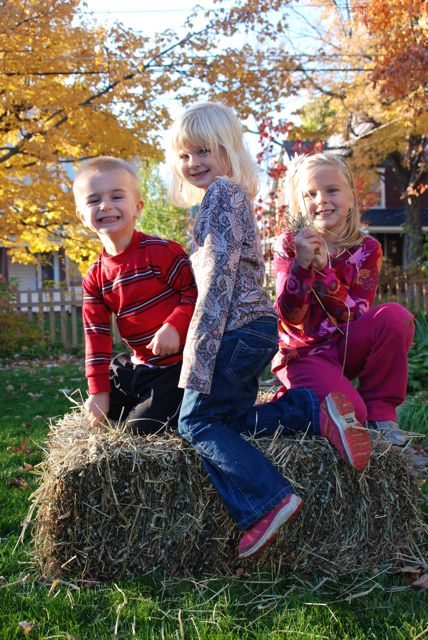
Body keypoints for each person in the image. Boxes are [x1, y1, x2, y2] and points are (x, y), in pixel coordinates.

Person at [167, 102, 372, 560]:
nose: (193, 162)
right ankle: (310, 412)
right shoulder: (227, 195)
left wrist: (198, 354)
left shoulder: (221, 194)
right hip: (255, 327)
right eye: (184, 154)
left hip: (232, 327)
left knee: (194, 421)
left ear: (228, 153)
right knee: (230, 423)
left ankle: (268, 500)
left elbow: (218, 279)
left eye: (203, 150)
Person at [272, 152, 414, 446]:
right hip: (303, 353)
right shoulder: (288, 244)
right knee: (352, 415)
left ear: (351, 197)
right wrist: (302, 264)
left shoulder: (367, 249)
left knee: (395, 317)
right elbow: (290, 316)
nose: (321, 200)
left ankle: (381, 414)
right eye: (310, 194)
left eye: (332, 190)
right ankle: (292, 400)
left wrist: (324, 272)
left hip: (346, 345)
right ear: (300, 205)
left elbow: (355, 315)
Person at [73, 156, 197, 434]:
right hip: (140, 364)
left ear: (137, 207)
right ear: (82, 216)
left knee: (140, 429)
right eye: (94, 200)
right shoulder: (95, 277)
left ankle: (168, 408)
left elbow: (194, 293)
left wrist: (174, 326)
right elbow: (96, 336)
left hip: (176, 368)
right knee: (107, 406)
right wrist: (98, 392)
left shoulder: (161, 252)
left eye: (117, 196)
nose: (105, 206)